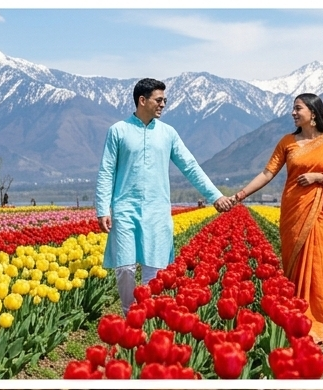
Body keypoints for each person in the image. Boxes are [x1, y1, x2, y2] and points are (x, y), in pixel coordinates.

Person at [227, 93, 323, 342]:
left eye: (298, 108)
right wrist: (239, 195)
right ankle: (297, 316)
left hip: (320, 213)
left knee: (320, 263)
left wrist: (321, 178)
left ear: (314, 113)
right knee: (295, 264)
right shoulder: (287, 142)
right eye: (293, 109)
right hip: (293, 211)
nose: (293, 113)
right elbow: (267, 173)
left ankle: (318, 319)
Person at [95, 78, 229, 313]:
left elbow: (190, 166)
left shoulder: (168, 134)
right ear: (142, 100)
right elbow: (106, 170)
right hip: (124, 207)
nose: (163, 104)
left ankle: (145, 313)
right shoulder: (118, 131)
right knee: (125, 267)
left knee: (153, 268)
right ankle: (128, 312)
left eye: (165, 100)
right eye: (159, 100)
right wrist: (102, 209)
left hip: (157, 210)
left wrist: (215, 196)